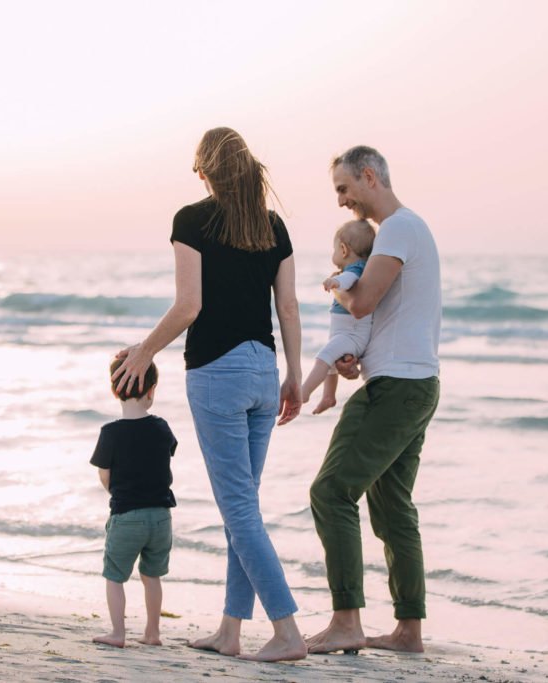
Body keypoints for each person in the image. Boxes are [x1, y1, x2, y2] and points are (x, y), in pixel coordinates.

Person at [111, 127, 306, 662]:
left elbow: (188, 306)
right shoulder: (272, 225)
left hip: (218, 373)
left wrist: (145, 351)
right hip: (264, 370)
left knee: (239, 510)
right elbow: (288, 308)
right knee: (243, 509)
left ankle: (287, 630)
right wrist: (293, 373)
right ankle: (230, 631)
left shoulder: (191, 220)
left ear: (205, 171)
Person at [305, 145, 441, 655]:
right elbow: (386, 316)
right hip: (414, 381)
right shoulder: (406, 230)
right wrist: (354, 359)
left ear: (369, 176)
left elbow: (361, 302)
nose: (342, 201)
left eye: (344, 188)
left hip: (397, 387)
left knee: (331, 492)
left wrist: (336, 288)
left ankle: (346, 621)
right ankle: (408, 631)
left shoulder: (399, 228)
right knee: (392, 509)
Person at [90, 358, 177, 649]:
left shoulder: (110, 433)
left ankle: (118, 633)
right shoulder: (162, 427)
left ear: (114, 390)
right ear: (151, 391)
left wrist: (117, 490)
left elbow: (105, 475)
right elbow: (164, 457)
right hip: (161, 516)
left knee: (115, 576)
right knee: (152, 575)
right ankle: (153, 633)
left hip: (127, 515)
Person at [300, 219, 376, 414]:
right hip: (346, 332)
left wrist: (336, 282)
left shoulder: (356, 269)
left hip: (351, 334)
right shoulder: (361, 267)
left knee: (324, 357)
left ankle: (304, 392)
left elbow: (350, 280)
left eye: (334, 249)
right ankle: (328, 397)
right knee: (331, 362)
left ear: (343, 250)